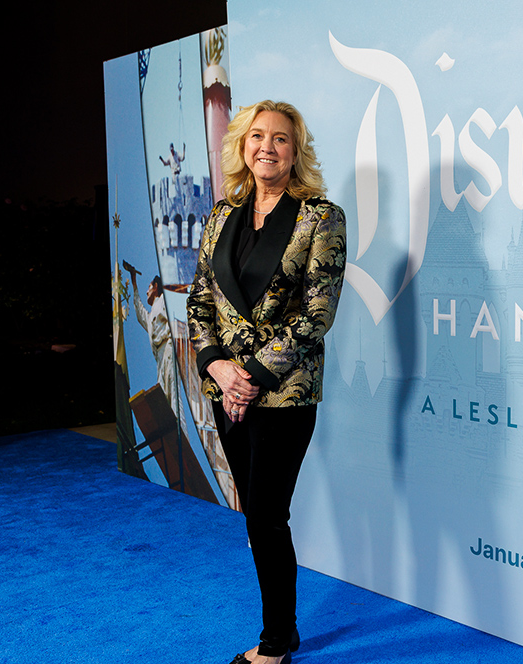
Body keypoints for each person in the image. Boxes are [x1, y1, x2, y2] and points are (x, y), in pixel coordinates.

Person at [187, 100, 346, 664]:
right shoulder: (220, 216)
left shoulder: (320, 217)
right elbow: (200, 302)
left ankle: (276, 642)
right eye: (257, 136)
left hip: (282, 394)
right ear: (242, 146)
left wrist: (250, 375)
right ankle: (284, 630)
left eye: (280, 138)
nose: (267, 147)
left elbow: (316, 314)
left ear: (295, 150)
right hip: (225, 390)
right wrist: (218, 367)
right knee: (256, 517)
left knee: (265, 514)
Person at [130, 273, 181, 420]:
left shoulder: (164, 300)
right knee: (163, 395)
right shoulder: (151, 314)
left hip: (169, 347)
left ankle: (179, 428)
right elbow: (140, 313)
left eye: (149, 287)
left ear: (156, 286)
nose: (147, 291)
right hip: (159, 357)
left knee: (172, 389)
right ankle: (169, 430)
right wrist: (134, 283)